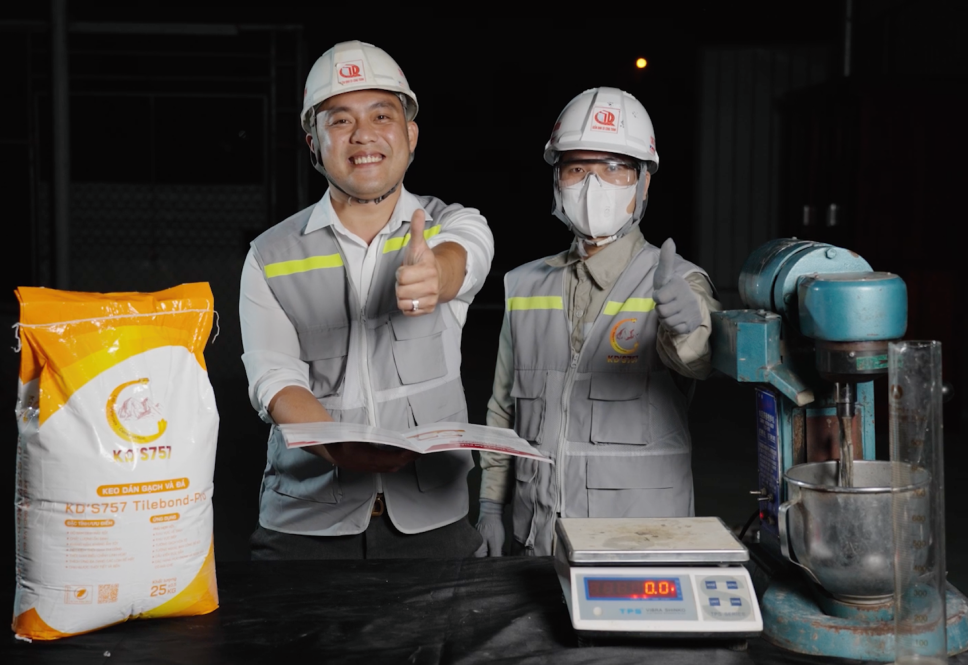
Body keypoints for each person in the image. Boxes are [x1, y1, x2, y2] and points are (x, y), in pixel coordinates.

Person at [240, 40, 494, 559]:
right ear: (313, 143)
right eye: (340, 121)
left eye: (381, 115)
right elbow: (274, 377)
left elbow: (465, 256)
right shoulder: (269, 255)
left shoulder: (451, 224)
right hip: (306, 522)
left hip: (433, 518)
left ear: (410, 134)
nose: (363, 135)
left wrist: (435, 274)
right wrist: (337, 445)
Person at [474, 87, 721, 557]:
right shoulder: (525, 285)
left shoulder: (675, 281)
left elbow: (697, 360)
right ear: (557, 182)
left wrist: (688, 328)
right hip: (539, 542)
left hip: (642, 550)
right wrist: (490, 505)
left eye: (614, 168)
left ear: (643, 184)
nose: (593, 185)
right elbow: (504, 409)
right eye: (577, 169)